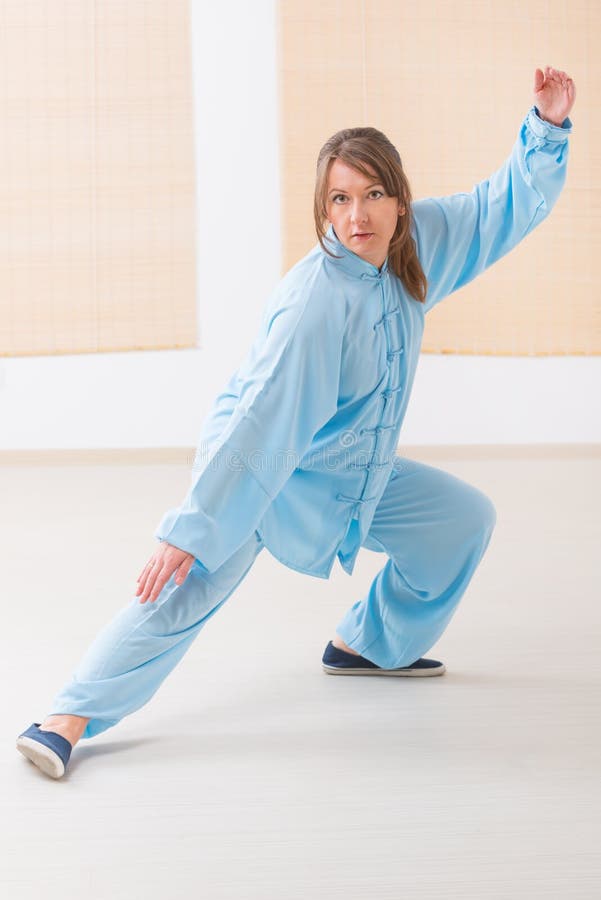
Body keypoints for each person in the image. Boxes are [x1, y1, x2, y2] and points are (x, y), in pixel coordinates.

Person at [17, 66, 576, 779]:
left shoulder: (417, 247)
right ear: (322, 209)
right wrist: (189, 527)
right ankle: (65, 717)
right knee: (187, 583)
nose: (356, 216)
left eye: (373, 194)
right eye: (338, 199)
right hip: (263, 466)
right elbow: (259, 426)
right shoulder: (315, 306)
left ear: (399, 202)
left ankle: (367, 646)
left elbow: (499, 208)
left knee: (460, 520)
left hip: (348, 467)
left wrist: (546, 129)